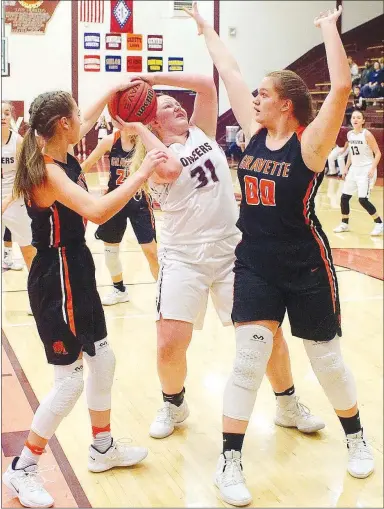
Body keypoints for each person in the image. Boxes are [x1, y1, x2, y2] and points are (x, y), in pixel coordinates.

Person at [185, 3, 374, 505]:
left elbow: (339, 89)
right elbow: (230, 69)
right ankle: (231, 460)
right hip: (255, 262)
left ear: (286, 104)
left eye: (264, 94)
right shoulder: (252, 134)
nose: (254, 98)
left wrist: (330, 29)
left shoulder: (310, 146)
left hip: (306, 263)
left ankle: (356, 437)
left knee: (326, 360)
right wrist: (207, 29)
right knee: (248, 360)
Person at [114, 72, 324, 442]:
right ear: (152, 121)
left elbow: (206, 86)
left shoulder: (202, 131)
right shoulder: (152, 161)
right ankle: (173, 403)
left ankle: (288, 405)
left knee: (268, 334)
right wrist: (135, 125)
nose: (178, 106)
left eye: (176, 103)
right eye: (166, 106)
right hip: (184, 259)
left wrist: (151, 77)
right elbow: (171, 169)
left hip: (233, 253)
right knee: (169, 343)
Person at [2, 88, 167, 508]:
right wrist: (142, 171)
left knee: (103, 358)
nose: (84, 121)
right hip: (56, 277)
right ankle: (23, 468)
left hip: (76, 268)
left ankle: (102, 447)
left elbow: (89, 118)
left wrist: (116, 90)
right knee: (70, 381)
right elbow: (96, 211)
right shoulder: (47, 170)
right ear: (62, 125)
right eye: (76, 116)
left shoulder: (59, 148)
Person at [81, 128, 158, 305]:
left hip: (139, 200)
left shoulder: (145, 140)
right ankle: (119, 289)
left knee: (151, 252)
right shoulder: (109, 141)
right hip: (114, 200)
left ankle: (164, 294)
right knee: (110, 250)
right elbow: (85, 165)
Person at [334, 110, 382, 236]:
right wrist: (346, 167)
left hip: (366, 170)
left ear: (363, 121)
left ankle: (379, 223)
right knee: (344, 197)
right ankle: (345, 223)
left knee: (363, 200)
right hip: (354, 169)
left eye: (358, 117)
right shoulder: (350, 134)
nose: (355, 119)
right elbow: (351, 152)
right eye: (354, 117)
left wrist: (372, 168)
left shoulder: (367, 134)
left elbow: (378, 153)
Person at [1, 101, 36, 272]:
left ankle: (39, 286)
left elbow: (25, 177)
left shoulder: (18, 142)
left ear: (11, 117)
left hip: (13, 197)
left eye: (6, 113)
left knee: (27, 246)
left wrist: (7, 200)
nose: (2, 117)